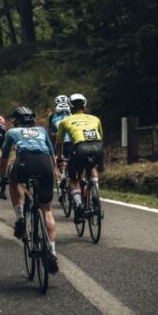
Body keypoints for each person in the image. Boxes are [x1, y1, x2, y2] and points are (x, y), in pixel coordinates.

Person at [0, 106, 60, 274]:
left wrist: (2, 177)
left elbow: (4, 159)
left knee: (14, 179)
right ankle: (52, 253)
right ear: (33, 120)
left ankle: (20, 218)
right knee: (46, 209)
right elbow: (52, 155)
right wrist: (55, 170)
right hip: (45, 164)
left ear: (16, 121)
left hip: (25, 162)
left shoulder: (12, 132)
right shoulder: (42, 130)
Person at [55, 93, 104, 224]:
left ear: (70, 107)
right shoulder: (95, 118)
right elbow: (101, 136)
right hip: (98, 147)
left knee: (73, 178)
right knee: (92, 167)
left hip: (80, 148)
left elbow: (59, 143)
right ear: (85, 105)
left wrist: (59, 157)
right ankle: (95, 195)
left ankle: (79, 205)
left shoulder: (65, 121)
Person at [48, 102, 72, 189]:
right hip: (75, 142)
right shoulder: (73, 117)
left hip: (62, 143)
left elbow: (53, 135)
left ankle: (60, 180)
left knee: (57, 161)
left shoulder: (54, 119)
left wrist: (54, 150)